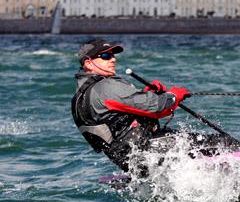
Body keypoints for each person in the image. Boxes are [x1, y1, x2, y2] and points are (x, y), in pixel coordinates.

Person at [71, 38, 228, 173]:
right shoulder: (106, 88)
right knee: (222, 143)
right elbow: (158, 107)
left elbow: (120, 113)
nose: (113, 59)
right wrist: (174, 96)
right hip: (148, 150)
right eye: (105, 56)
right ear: (88, 63)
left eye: (113, 55)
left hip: (129, 161)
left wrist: (146, 93)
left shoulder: (80, 96)